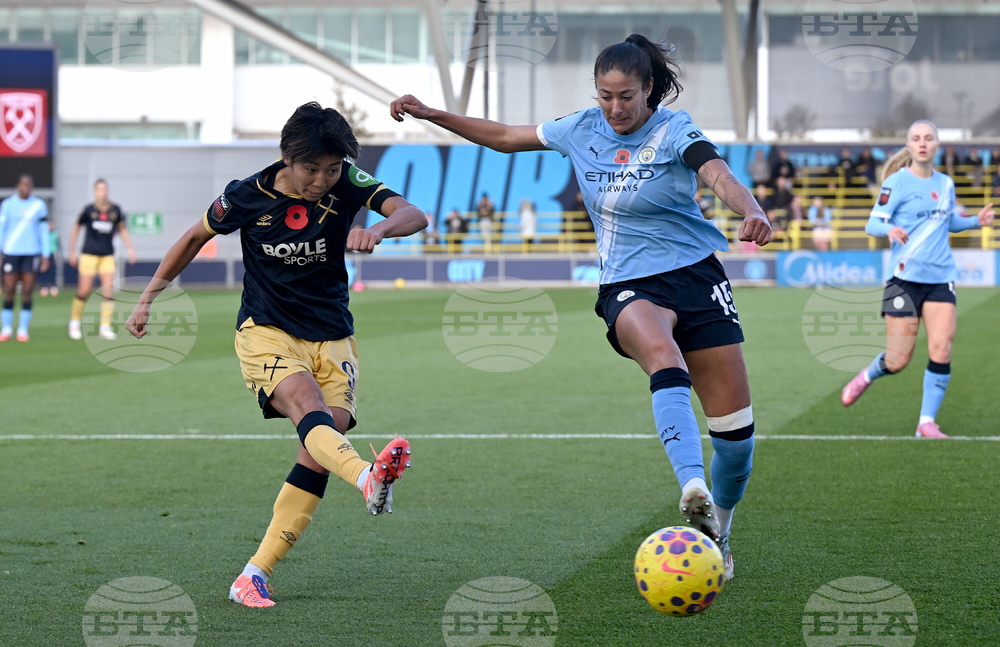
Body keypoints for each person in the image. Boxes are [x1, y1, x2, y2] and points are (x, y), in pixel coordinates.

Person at [390, 33, 771, 580]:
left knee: (735, 441)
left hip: (696, 276)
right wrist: (430, 113)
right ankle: (691, 483)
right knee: (664, 358)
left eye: (626, 96)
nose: (615, 108)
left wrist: (751, 210)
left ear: (650, 91)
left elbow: (718, 175)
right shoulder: (580, 129)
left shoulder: (674, 130)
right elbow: (502, 136)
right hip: (629, 282)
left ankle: (719, 533)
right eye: (605, 96)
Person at [124, 102, 427, 607]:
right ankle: (367, 477)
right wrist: (148, 296)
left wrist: (376, 229)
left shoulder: (346, 180)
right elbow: (195, 236)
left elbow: (413, 214)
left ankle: (253, 574)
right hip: (266, 331)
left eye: (332, 170)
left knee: (320, 444)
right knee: (309, 409)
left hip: (332, 335)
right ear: (288, 158)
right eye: (312, 170)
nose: (322, 181)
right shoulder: (247, 195)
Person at [841, 120, 994, 438]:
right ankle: (867, 375)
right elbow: (872, 224)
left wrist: (974, 222)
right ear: (909, 146)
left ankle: (926, 421)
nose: (922, 143)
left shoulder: (946, 184)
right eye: (916, 138)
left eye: (928, 138)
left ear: (937, 145)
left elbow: (948, 221)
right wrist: (889, 229)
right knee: (898, 360)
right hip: (904, 280)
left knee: (942, 348)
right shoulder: (896, 183)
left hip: (941, 278)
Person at [68, 179, 137, 340]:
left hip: (107, 255)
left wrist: (131, 249)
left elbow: (122, 230)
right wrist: (72, 251)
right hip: (88, 255)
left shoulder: (115, 210)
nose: (102, 192)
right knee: (84, 290)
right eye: (99, 189)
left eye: (104, 189)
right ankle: (74, 323)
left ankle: (105, 327)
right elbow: (76, 229)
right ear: (95, 192)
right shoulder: (88, 210)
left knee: (108, 291)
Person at [0, 174, 50, 342]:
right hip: (11, 252)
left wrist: (46, 254)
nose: (26, 186)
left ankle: (23, 329)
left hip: (31, 252)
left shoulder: (38, 205)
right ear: (17, 186)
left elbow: (44, 231)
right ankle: (6, 328)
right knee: (9, 290)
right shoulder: (7, 205)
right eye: (23, 183)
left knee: (27, 291)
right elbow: (1, 229)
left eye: (29, 183)